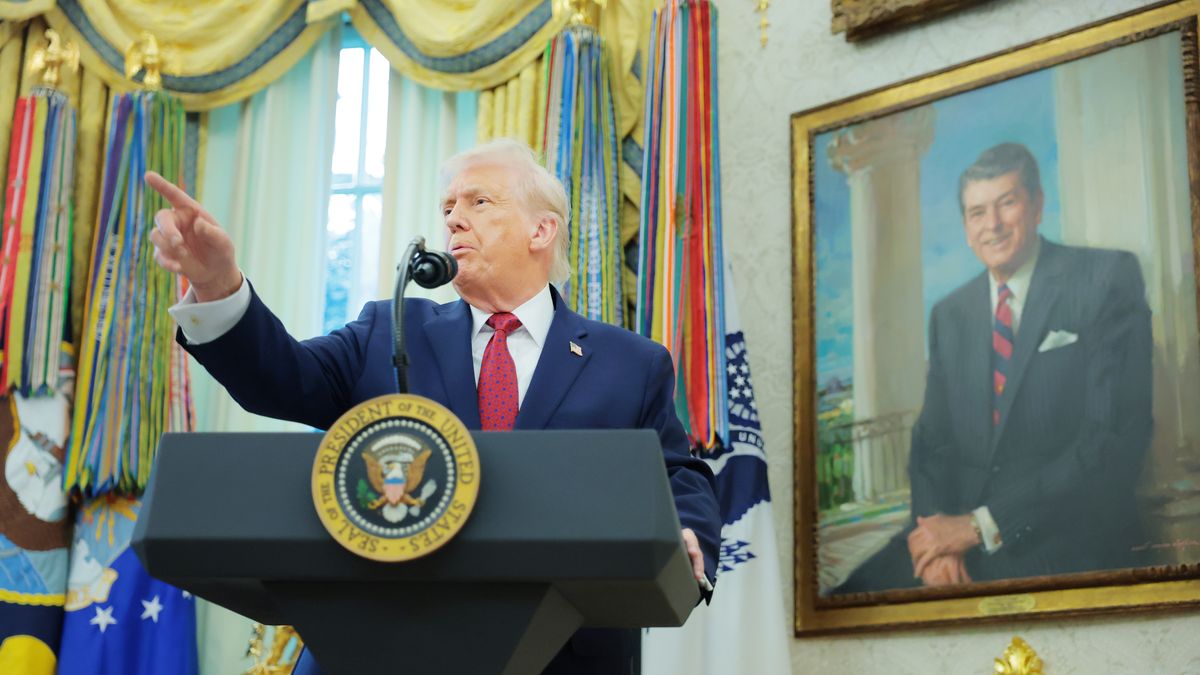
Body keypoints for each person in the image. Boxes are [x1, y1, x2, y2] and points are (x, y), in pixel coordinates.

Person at [146, 138, 721, 674]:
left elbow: (676, 476)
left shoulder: (630, 363)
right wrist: (220, 286)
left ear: (541, 230)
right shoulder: (389, 329)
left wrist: (688, 532)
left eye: (478, 201)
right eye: (448, 205)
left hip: (563, 654)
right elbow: (282, 379)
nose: (452, 218)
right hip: (381, 642)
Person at [835, 142, 1152, 593]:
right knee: (844, 602)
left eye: (1007, 203)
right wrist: (934, 541)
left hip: (1061, 535)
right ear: (966, 227)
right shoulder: (950, 314)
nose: (993, 225)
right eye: (977, 212)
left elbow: (1108, 442)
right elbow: (930, 446)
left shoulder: (1104, 279)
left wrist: (980, 526)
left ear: (1038, 205)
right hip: (956, 540)